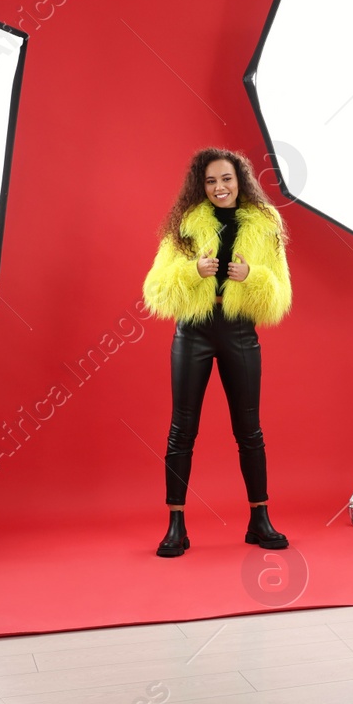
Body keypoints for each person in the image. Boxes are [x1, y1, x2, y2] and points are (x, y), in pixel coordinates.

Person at [142, 148, 293, 557]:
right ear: (201, 185)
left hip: (239, 331)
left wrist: (253, 275)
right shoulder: (185, 225)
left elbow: (281, 295)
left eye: (225, 179)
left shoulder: (266, 225)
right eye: (210, 181)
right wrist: (193, 271)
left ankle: (259, 520)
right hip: (193, 331)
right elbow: (155, 288)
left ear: (239, 180)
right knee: (182, 429)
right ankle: (176, 525)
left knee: (249, 430)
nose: (219, 188)